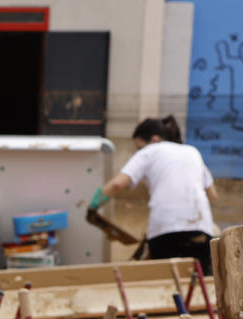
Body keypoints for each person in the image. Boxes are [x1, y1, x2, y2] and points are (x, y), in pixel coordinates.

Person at [92, 115, 218, 270]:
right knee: (200, 283)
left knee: (166, 282)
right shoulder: (192, 151)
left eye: (139, 147)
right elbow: (212, 194)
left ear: (154, 139)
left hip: (164, 231)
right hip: (200, 228)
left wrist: (93, 205)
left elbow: (117, 184)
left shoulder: (150, 150)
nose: (139, 151)